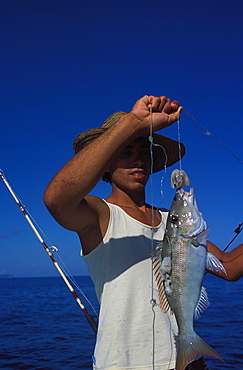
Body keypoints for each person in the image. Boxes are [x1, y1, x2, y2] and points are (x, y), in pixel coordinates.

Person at [44, 95, 243, 370]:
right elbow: (57, 199)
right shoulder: (98, 214)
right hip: (125, 363)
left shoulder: (170, 219)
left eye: (143, 151)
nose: (137, 159)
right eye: (125, 151)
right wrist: (133, 123)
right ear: (106, 162)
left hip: (188, 363)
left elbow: (230, 268)